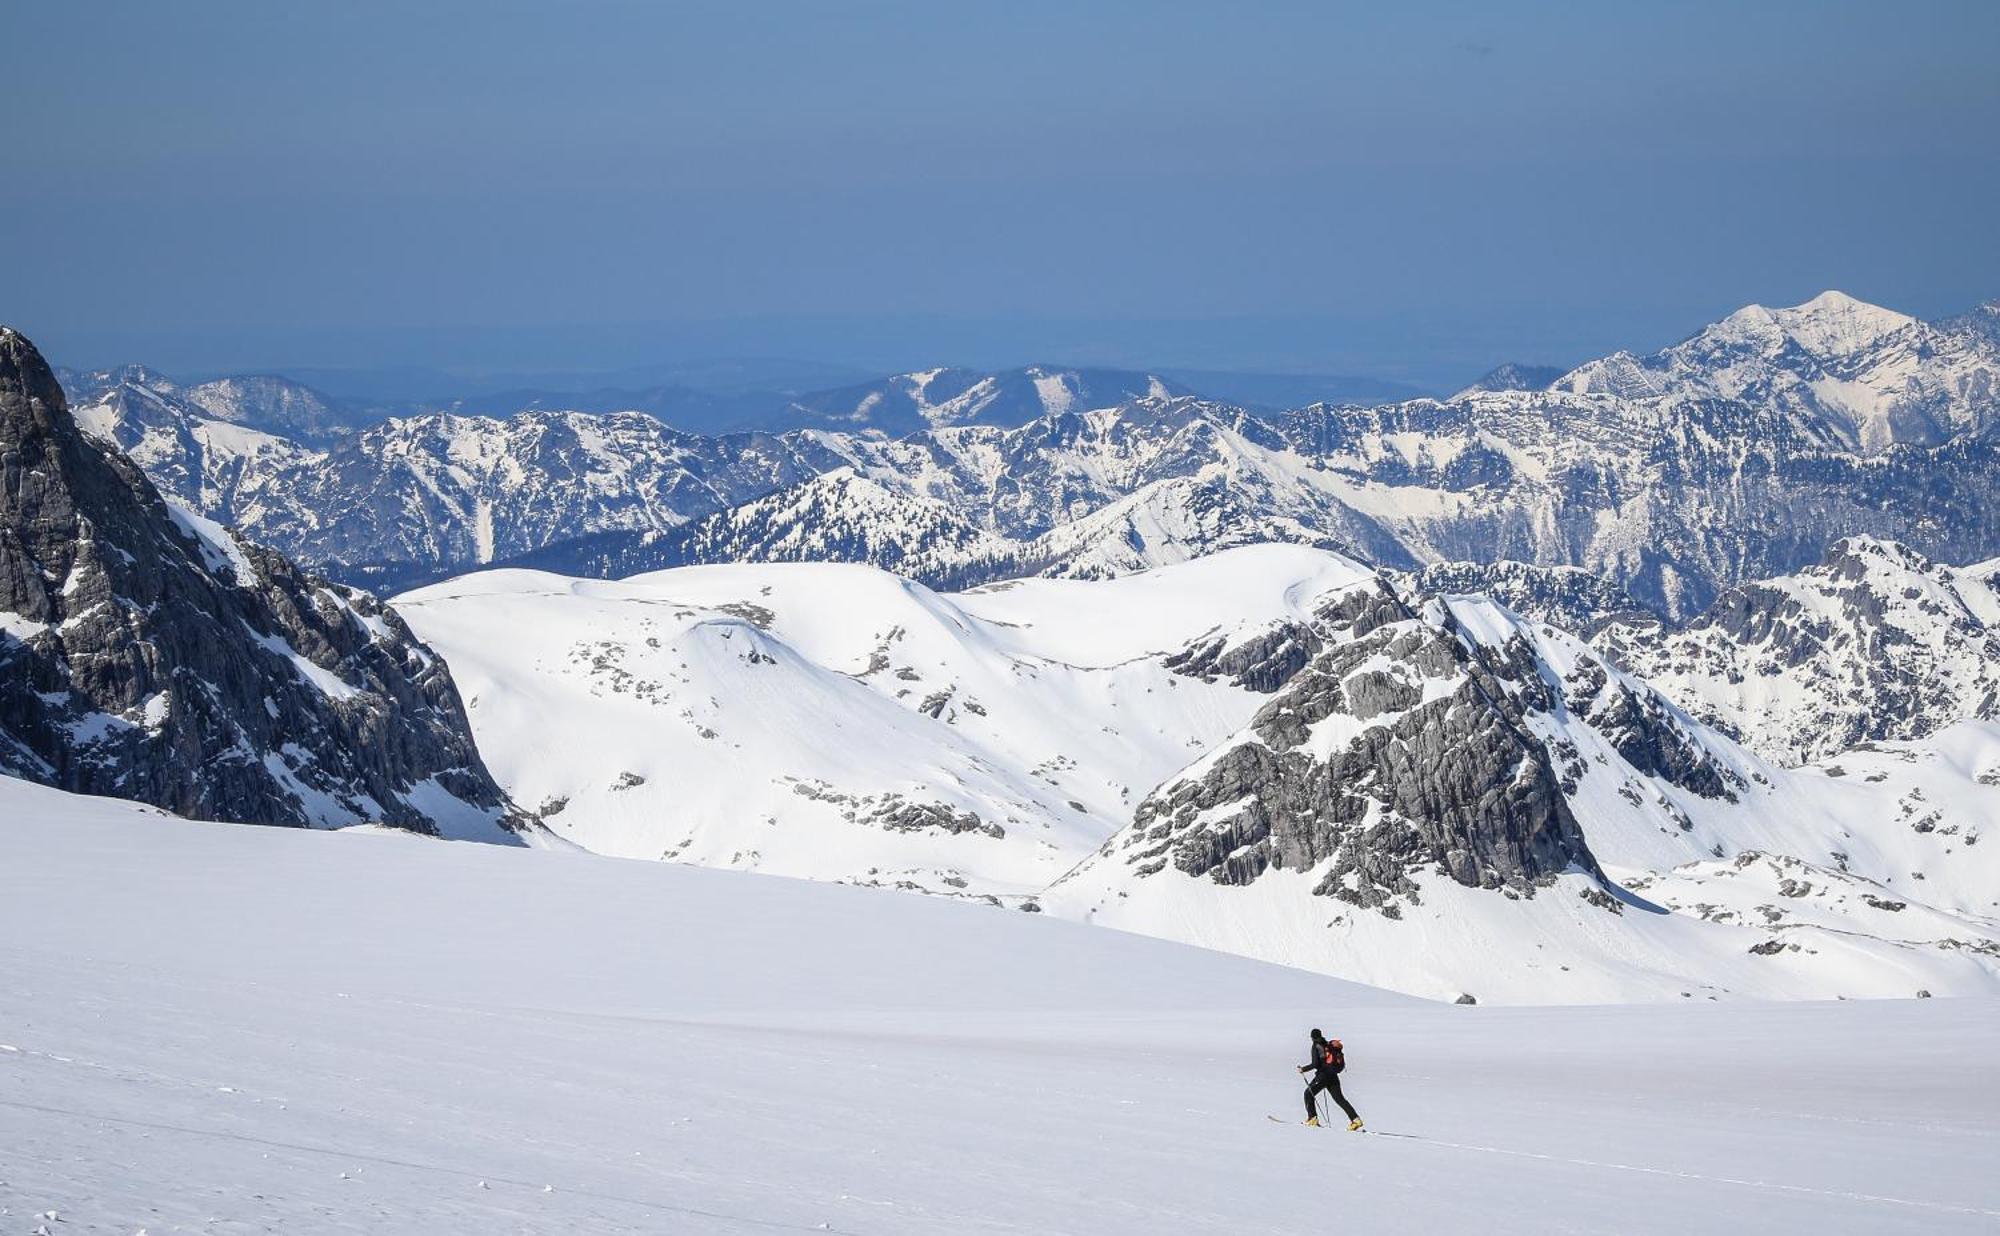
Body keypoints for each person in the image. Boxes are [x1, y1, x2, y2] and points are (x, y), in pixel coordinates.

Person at [1297, 1027, 1363, 1130]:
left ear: (1312, 1037)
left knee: (1308, 1093)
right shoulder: (1327, 1044)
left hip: (1323, 1075)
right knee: (1340, 1099)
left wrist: (1303, 1069)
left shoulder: (1316, 1045)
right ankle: (1355, 1120)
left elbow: (1315, 1064)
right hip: (1333, 1075)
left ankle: (1312, 1119)